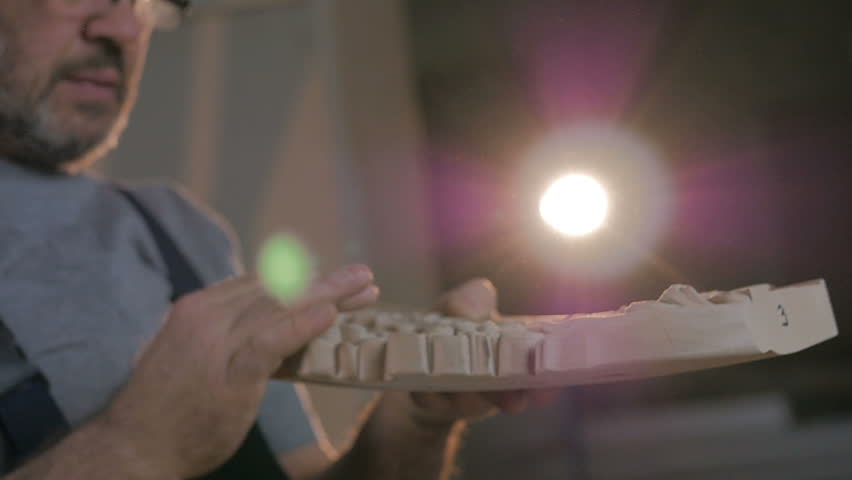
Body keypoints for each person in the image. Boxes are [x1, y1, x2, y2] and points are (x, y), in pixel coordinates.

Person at [0, 1, 559, 479]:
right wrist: (132, 447)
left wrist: (413, 423)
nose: (124, 28)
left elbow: (298, 467)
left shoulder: (176, 225)